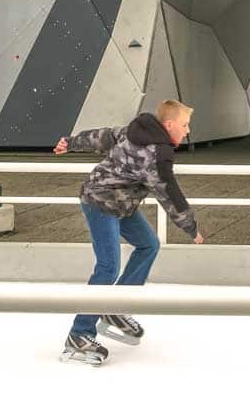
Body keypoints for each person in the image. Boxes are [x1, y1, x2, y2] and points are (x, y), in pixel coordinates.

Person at [53, 99, 206, 366]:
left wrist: (71, 141)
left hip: (122, 203)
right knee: (108, 267)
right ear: (168, 125)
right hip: (100, 201)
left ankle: (115, 306)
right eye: (185, 125)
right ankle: (79, 334)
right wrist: (191, 228)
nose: (188, 130)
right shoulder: (157, 155)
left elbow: (102, 136)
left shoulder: (136, 131)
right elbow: (170, 194)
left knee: (149, 245)